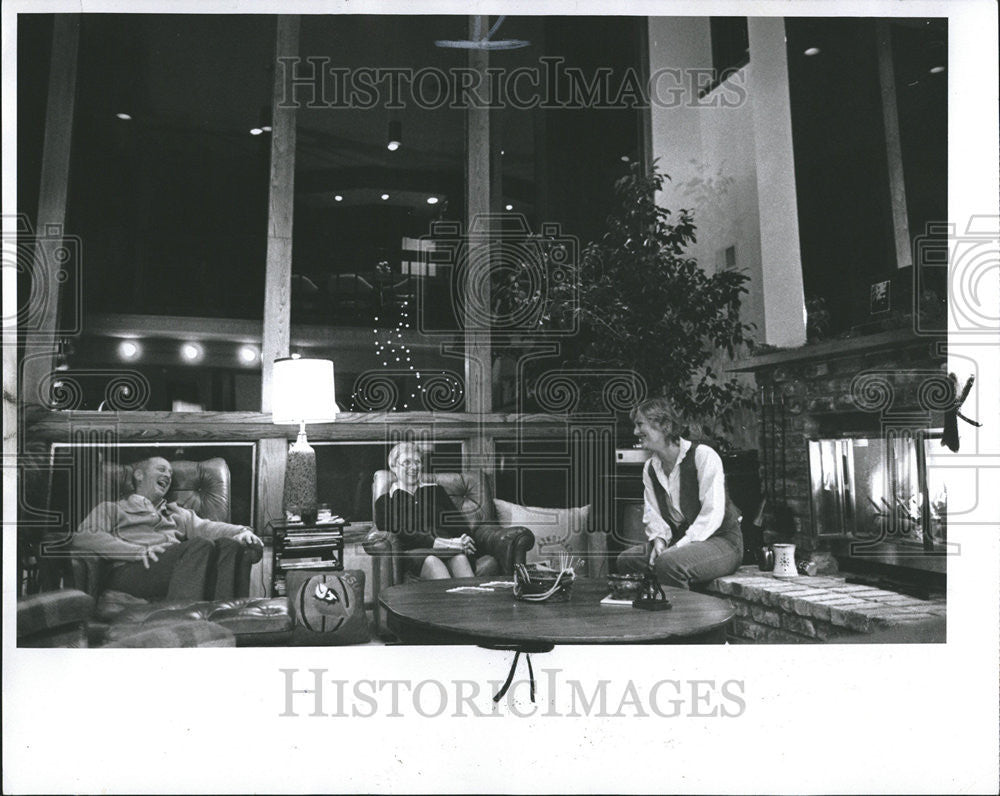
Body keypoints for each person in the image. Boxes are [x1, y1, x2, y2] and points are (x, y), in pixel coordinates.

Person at [72, 457, 263, 601]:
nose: (167, 476)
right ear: (139, 475)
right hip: (131, 571)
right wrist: (138, 551)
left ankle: (224, 618)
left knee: (230, 546)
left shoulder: (175, 512)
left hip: (177, 569)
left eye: (170, 474)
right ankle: (181, 618)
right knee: (201, 545)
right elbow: (85, 537)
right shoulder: (113, 508)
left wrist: (241, 532)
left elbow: (208, 526)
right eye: (161, 469)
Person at [616, 398, 743, 589]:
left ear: (665, 426)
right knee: (627, 561)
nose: (635, 432)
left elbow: (712, 515)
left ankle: (680, 617)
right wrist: (659, 542)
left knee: (669, 563)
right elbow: (654, 514)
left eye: (640, 424)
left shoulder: (703, 456)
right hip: (682, 542)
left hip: (722, 542)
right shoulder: (651, 467)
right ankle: (650, 610)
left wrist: (677, 547)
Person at [373, 442, 492, 580]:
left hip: (452, 549)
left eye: (417, 462)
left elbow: (458, 525)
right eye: (406, 462)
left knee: (460, 558)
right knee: (433, 561)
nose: (413, 467)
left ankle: (472, 599)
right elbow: (403, 533)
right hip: (418, 554)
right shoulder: (385, 501)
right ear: (393, 466)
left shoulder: (436, 491)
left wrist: (464, 540)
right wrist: (445, 544)